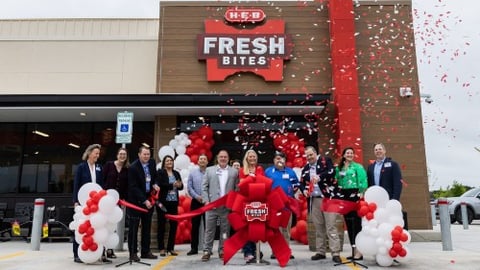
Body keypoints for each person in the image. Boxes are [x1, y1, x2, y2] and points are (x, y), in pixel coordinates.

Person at [301, 146, 342, 263]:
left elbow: (332, 172)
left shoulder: (325, 161)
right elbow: (302, 182)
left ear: (315, 153)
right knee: (319, 227)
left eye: (311, 154)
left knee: (331, 226)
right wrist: (303, 190)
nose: (309, 157)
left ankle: (335, 253)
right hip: (314, 200)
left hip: (328, 199)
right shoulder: (305, 169)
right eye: (307, 156)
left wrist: (320, 177)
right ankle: (321, 251)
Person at [72, 144, 110, 264]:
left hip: (96, 202)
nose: (97, 156)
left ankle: (99, 254)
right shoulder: (81, 167)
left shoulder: (99, 167)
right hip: (83, 202)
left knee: (97, 226)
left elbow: (102, 185)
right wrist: (75, 201)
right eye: (96, 153)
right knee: (81, 226)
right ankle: (77, 253)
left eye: (98, 154)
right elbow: (76, 185)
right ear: (89, 153)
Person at [201, 149, 239, 262]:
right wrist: (206, 201)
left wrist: (233, 203)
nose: (223, 159)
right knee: (209, 230)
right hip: (211, 206)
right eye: (221, 157)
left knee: (224, 230)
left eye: (225, 157)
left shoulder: (234, 172)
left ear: (228, 159)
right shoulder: (209, 170)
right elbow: (204, 187)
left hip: (226, 207)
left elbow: (236, 189)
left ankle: (222, 250)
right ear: (217, 158)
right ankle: (207, 250)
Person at [264, 151, 299, 260]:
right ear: (274, 160)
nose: (279, 160)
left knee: (286, 229)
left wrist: (293, 190)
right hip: (273, 205)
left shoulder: (291, 172)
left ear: (285, 160)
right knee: (275, 230)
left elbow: (296, 185)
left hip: (287, 206)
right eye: (277, 158)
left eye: (281, 158)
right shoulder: (268, 171)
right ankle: (275, 251)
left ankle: (286, 250)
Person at [126, 146, 158, 262]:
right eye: (144, 154)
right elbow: (133, 187)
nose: (146, 156)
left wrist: (155, 184)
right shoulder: (133, 167)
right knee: (134, 228)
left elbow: (155, 177)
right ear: (139, 154)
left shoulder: (152, 163)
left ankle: (145, 251)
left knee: (147, 227)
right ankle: (133, 253)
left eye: (148, 154)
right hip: (136, 201)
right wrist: (144, 200)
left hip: (150, 199)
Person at [335, 147, 367, 261]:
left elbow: (363, 181)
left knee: (356, 223)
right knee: (348, 223)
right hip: (344, 196)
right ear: (343, 155)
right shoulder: (340, 168)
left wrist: (361, 192)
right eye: (347, 153)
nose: (350, 154)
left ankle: (359, 252)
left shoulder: (358, 167)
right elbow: (336, 180)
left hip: (355, 195)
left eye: (351, 153)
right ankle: (353, 251)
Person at [102, 147, 129, 259]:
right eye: (120, 154)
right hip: (106, 200)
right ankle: (102, 250)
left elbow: (126, 186)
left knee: (112, 226)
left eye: (124, 154)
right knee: (104, 224)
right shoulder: (109, 165)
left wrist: (124, 200)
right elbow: (102, 180)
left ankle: (110, 250)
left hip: (118, 201)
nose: (122, 156)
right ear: (117, 155)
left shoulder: (127, 169)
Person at [239, 150, 264, 263]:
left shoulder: (260, 169)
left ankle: (255, 251)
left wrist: (251, 180)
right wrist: (253, 180)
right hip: (245, 202)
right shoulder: (241, 170)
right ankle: (247, 252)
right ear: (247, 158)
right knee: (246, 228)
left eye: (254, 156)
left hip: (258, 202)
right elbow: (242, 185)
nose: (252, 158)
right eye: (250, 157)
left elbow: (263, 184)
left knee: (255, 228)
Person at [156, 155, 183, 256]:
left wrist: (179, 185)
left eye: (171, 160)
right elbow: (161, 185)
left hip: (173, 202)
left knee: (173, 226)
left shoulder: (176, 173)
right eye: (167, 161)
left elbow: (181, 186)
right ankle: (162, 248)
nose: (169, 162)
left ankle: (171, 248)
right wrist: (172, 185)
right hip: (163, 203)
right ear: (164, 162)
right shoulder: (161, 173)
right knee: (161, 225)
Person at [186, 154, 208, 256]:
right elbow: (189, 187)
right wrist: (197, 196)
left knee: (208, 226)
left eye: (204, 159)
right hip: (196, 202)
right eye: (201, 159)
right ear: (198, 161)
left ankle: (207, 248)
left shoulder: (211, 173)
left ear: (207, 162)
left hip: (207, 202)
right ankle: (194, 248)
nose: (202, 160)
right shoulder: (192, 173)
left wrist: (206, 198)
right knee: (195, 226)